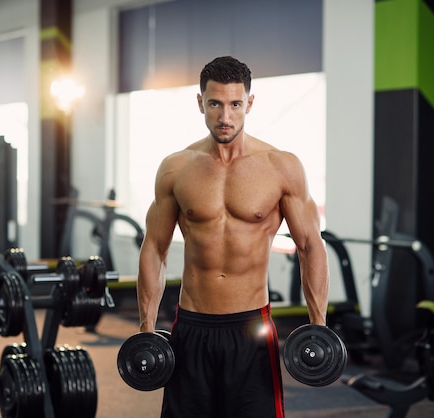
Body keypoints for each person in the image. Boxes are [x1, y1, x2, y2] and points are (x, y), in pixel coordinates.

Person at [136, 56, 329, 418]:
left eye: (235, 104)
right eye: (215, 104)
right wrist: (146, 327)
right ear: (200, 103)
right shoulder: (176, 168)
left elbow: (309, 246)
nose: (225, 117)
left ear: (249, 104)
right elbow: (155, 249)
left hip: (250, 328)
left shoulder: (280, 167)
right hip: (191, 325)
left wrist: (318, 326)